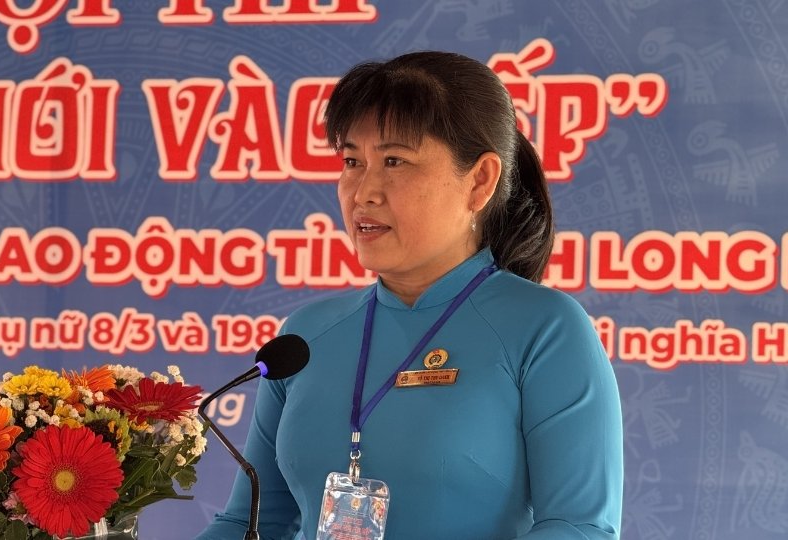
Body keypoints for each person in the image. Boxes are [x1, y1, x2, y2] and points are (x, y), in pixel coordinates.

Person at [196, 51, 623, 539]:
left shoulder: (546, 328)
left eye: (395, 161)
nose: (363, 192)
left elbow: (579, 527)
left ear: (480, 180)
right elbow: (254, 522)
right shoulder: (305, 336)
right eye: (353, 161)